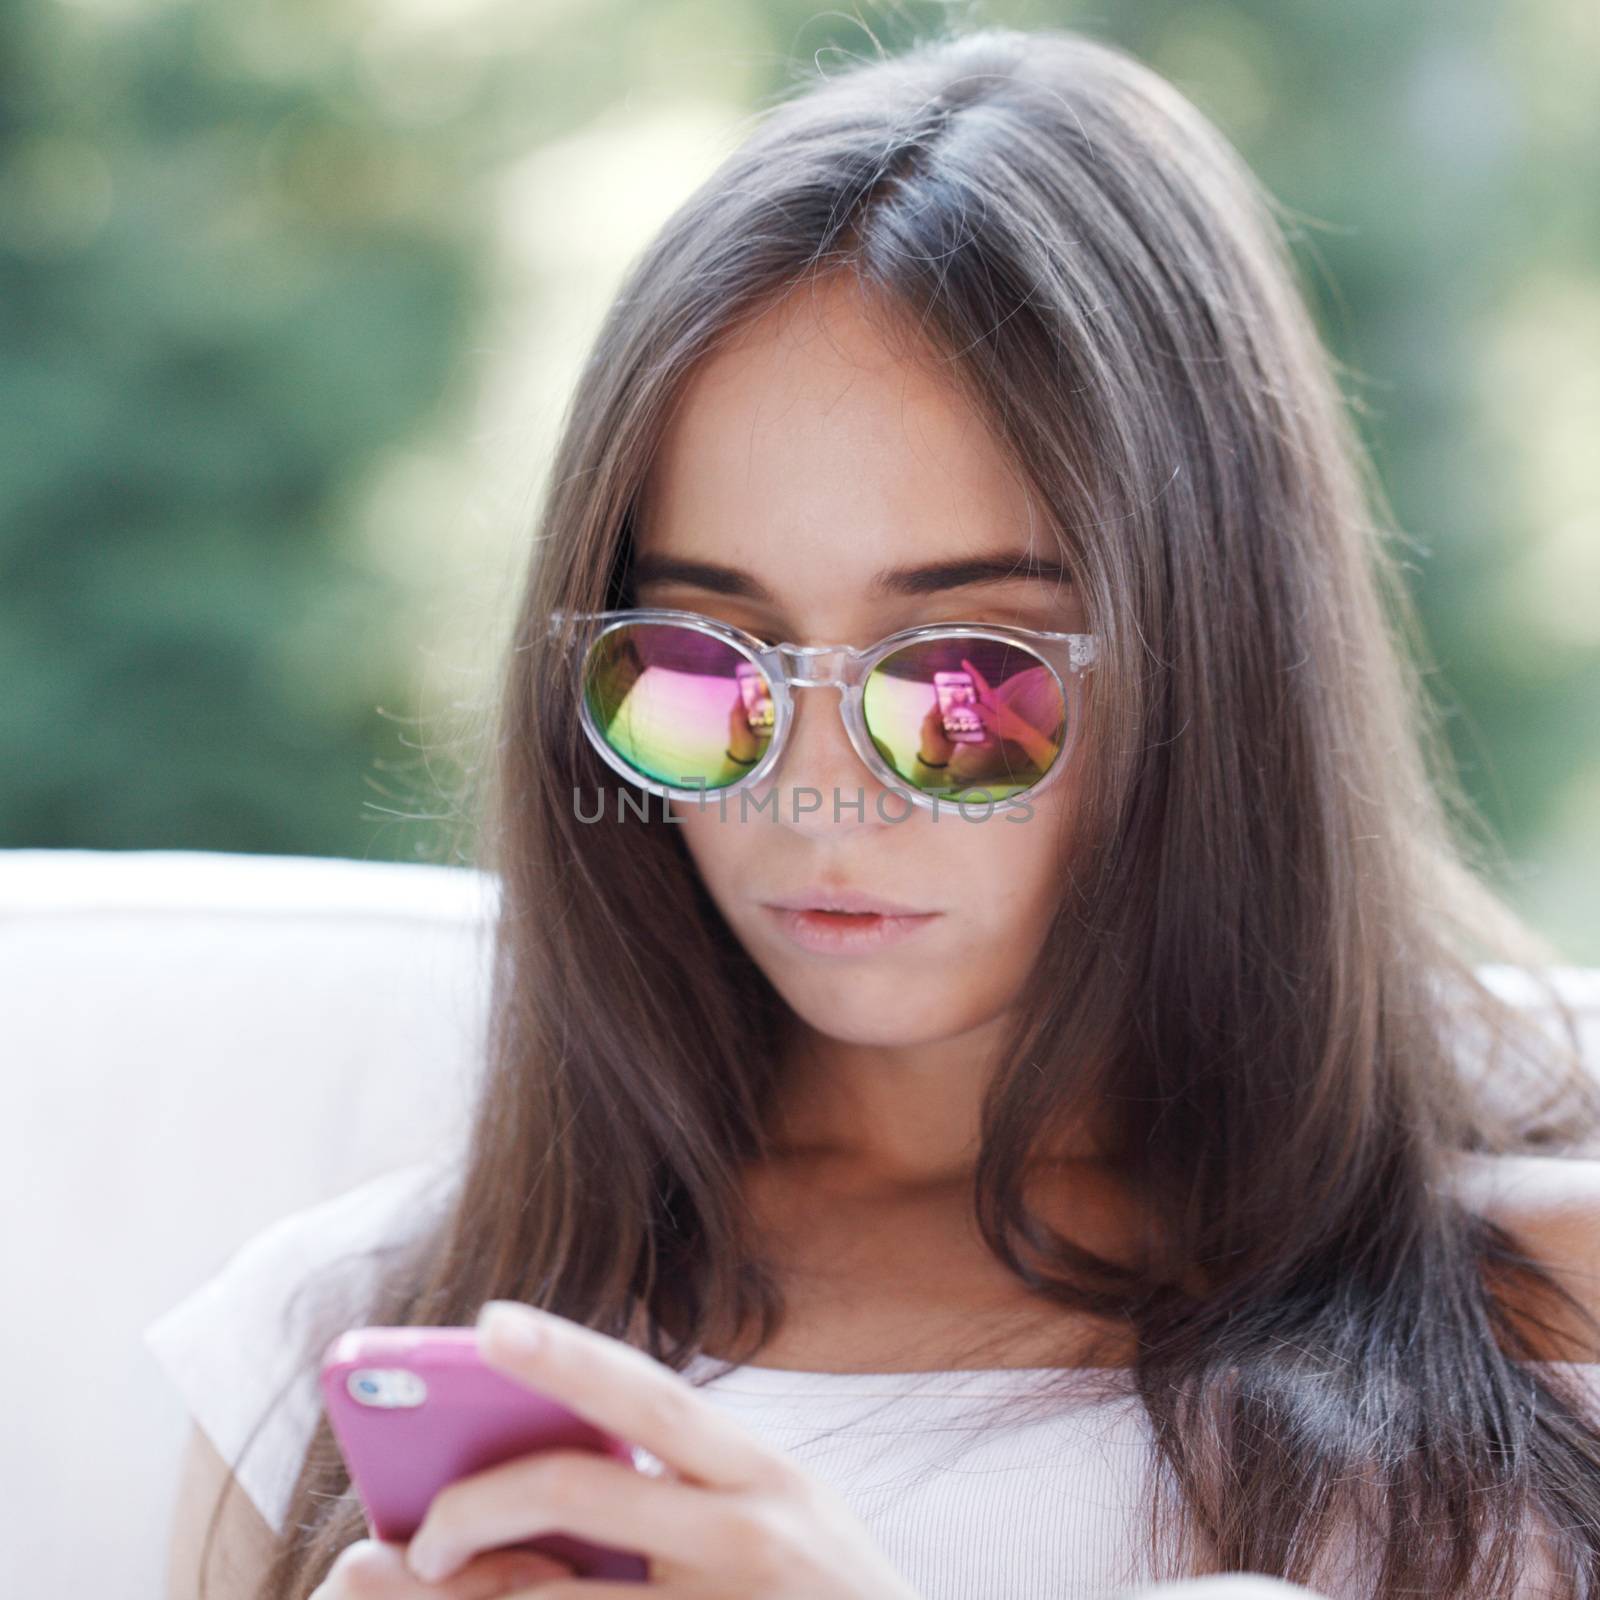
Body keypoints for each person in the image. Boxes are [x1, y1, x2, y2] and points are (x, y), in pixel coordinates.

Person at [144, 23, 1600, 1600]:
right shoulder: (348, 1346)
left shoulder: (1548, 1322)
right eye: (704, 662)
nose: (815, 784)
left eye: (965, 679)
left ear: (1216, 659)